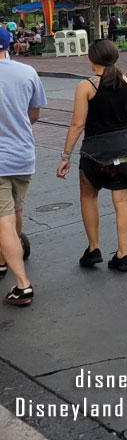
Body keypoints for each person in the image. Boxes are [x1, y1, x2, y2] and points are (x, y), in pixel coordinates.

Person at [57, 40, 127, 272]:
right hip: (126, 149)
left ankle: (93, 248)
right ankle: (123, 255)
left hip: (95, 153)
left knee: (88, 197)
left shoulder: (86, 87)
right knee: (123, 201)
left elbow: (77, 124)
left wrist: (66, 155)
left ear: (91, 60)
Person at [0, 27, 46, 306]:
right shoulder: (27, 72)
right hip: (22, 155)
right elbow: (35, 113)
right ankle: (3, 258)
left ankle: (22, 285)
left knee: (2, 219)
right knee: (15, 210)